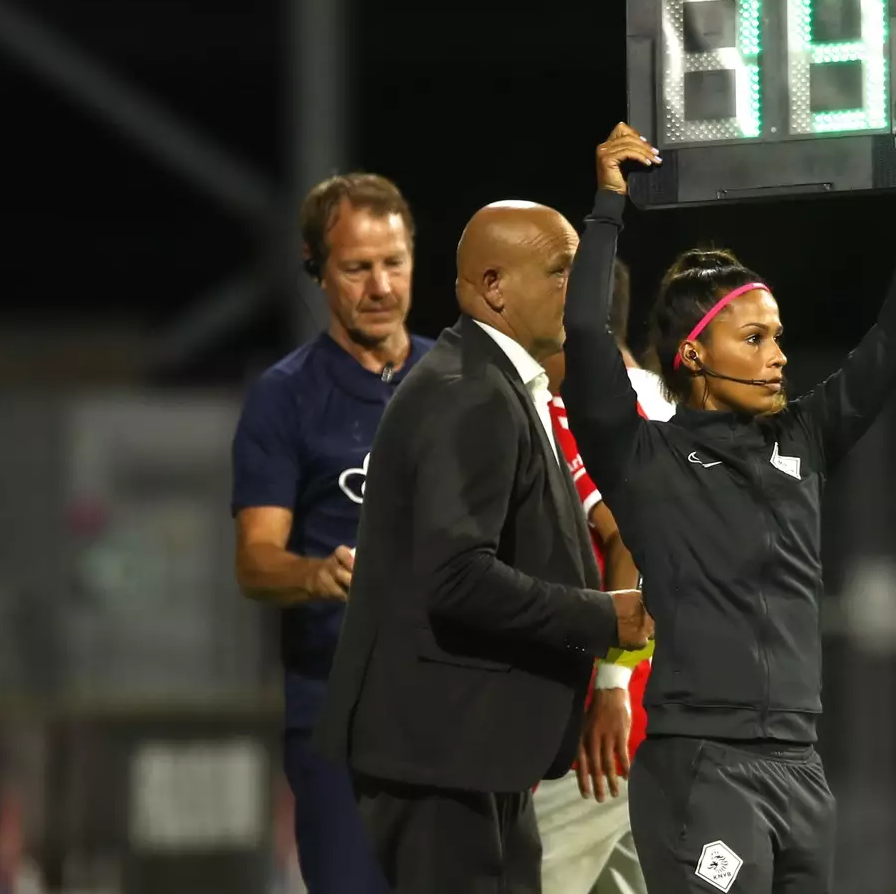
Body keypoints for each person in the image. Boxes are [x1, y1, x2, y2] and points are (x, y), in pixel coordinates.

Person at [561, 111, 896, 893]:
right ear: (694, 354)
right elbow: (583, 332)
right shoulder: (646, 458)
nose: (778, 357)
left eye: (778, 336)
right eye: (754, 340)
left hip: (802, 771)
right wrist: (609, 207)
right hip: (703, 769)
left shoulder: (801, 439)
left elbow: (890, 347)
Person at [312, 199, 654, 894]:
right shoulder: (468, 392)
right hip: (441, 756)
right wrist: (602, 618)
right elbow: (457, 577)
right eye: (561, 272)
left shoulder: (495, 382)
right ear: (494, 287)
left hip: (477, 756)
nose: (577, 290)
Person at [231, 172, 432, 894]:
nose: (381, 285)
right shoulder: (285, 397)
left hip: (455, 712)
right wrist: (316, 574)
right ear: (318, 272)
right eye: (357, 267)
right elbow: (255, 561)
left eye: (395, 262)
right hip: (338, 716)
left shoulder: (463, 382)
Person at [534, 259, 673, 894]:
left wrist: (612, 685)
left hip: (607, 725)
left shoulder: (579, 410)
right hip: (688, 716)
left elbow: (629, 535)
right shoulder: (678, 401)